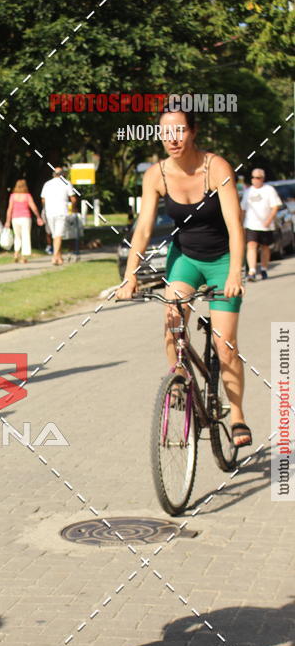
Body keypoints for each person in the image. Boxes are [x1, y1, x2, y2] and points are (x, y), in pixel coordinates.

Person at [117, 108, 252, 448]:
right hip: (185, 259)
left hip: (222, 260)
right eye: (166, 133)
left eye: (179, 131)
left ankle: (237, 415)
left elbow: (235, 224)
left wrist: (235, 272)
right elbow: (143, 229)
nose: (172, 139)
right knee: (172, 320)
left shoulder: (216, 168)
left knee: (225, 346)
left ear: (193, 132)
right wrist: (130, 276)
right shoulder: (156, 175)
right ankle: (178, 378)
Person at [240, 169, 281, 281]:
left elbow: (275, 207)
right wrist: (241, 223)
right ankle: (252, 271)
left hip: (265, 225)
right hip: (251, 224)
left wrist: (269, 220)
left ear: (262, 178)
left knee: (265, 247)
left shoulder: (269, 190)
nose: (255, 180)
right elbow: (243, 208)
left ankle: (263, 269)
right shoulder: (248, 191)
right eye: (253, 177)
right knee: (251, 245)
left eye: (257, 177)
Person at [40, 167, 77, 266]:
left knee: (55, 235)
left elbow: (43, 199)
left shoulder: (47, 184)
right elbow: (73, 199)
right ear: (63, 174)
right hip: (62, 211)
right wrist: (73, 209)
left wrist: (46, 208)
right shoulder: (67, 183)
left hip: (50, 212)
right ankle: (55, 257)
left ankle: (59, 257)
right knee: (58, 235)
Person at [4, 179, 43, 264]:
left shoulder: (13, 196)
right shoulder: (27, 196)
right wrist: (38, 217)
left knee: (17, 236)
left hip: (15, 218)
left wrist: (7, 221)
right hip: (25, 217)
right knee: (26, 236)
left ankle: (16, 253)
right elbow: (33, 207)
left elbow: (9, 209)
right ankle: (23, 256)